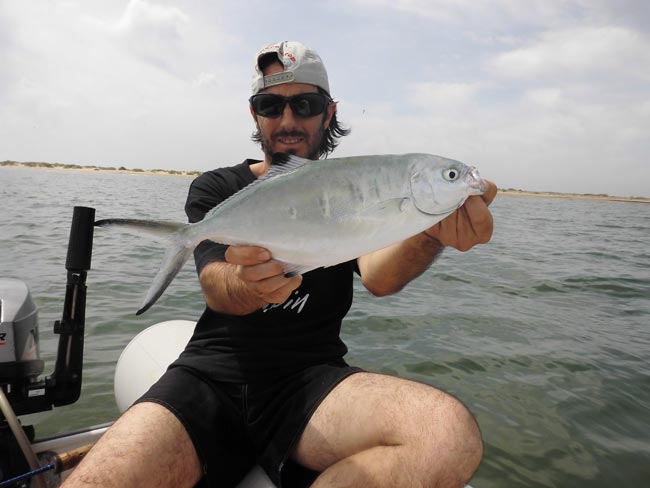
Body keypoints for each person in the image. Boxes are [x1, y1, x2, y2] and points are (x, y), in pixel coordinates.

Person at [63, 40, 497, 488]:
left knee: (449, 436)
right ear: (255, 114)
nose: (288, 121)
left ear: (329, 112)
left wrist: (429, 232)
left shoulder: (355, 188)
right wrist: (247, 283)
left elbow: (380, 277)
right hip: (212, 375)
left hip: (312, 383)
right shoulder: (218, 189)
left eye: (305, 104)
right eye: (271, 105)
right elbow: (217, 284)